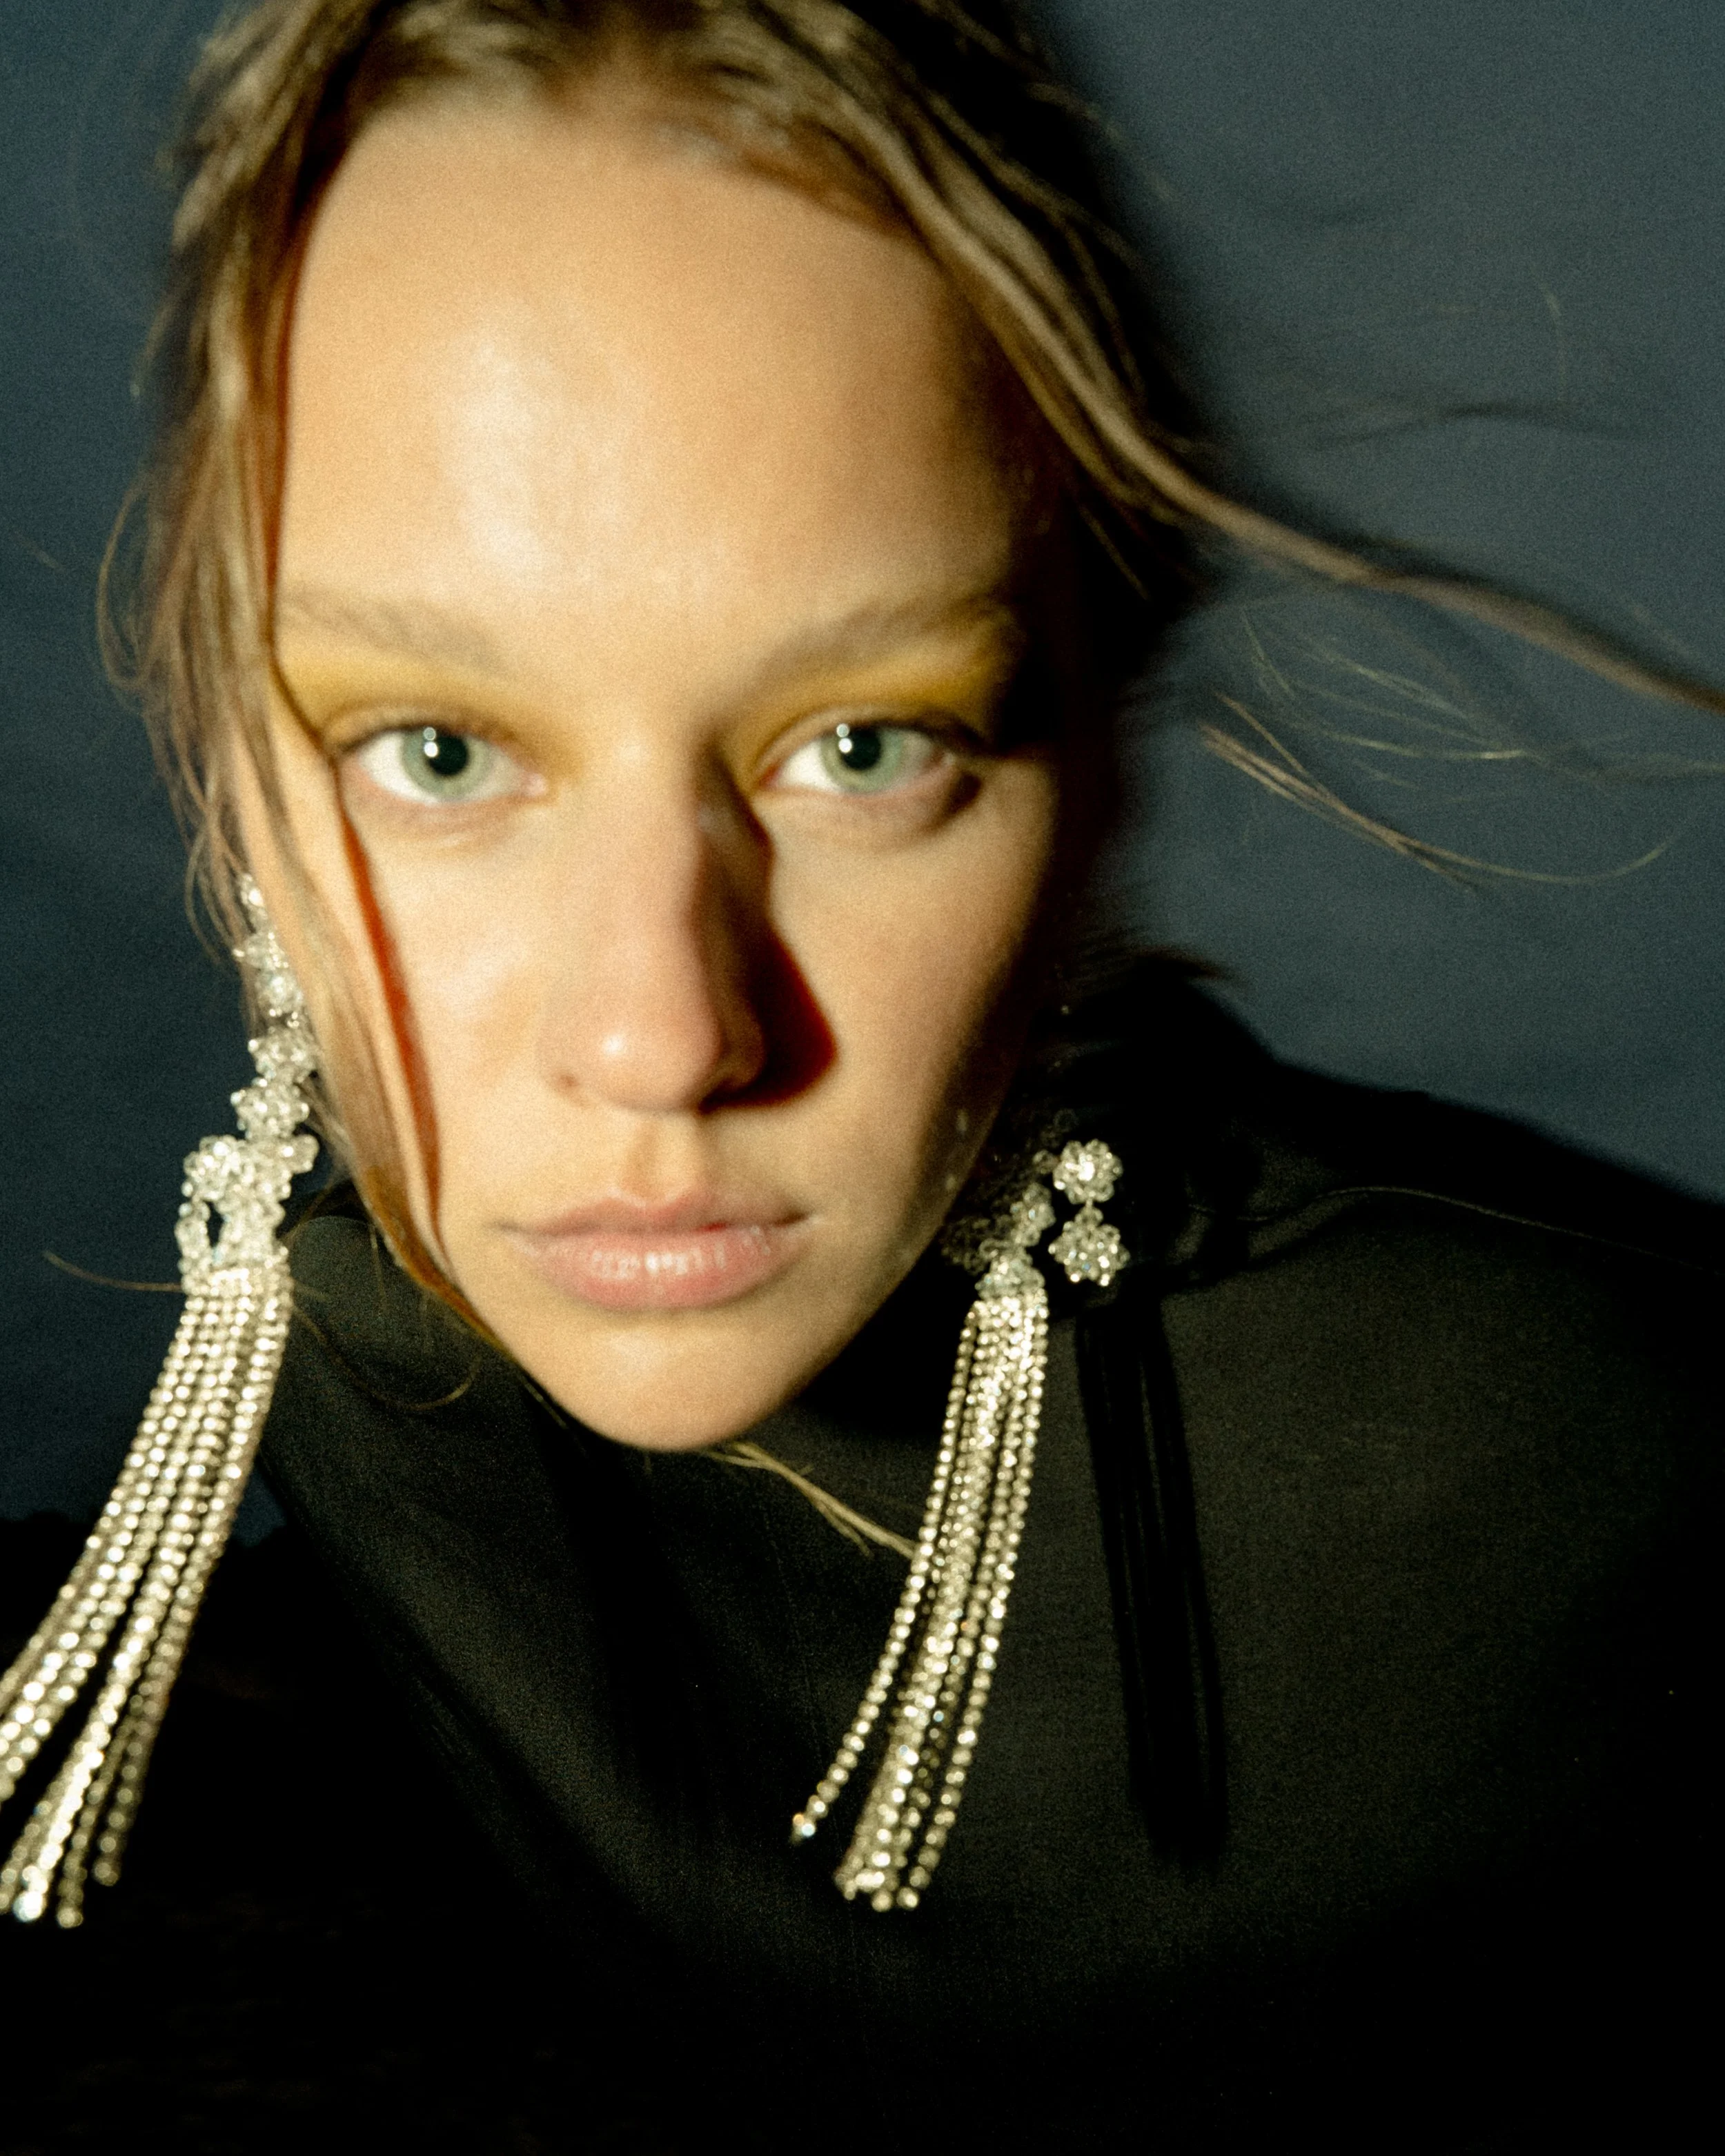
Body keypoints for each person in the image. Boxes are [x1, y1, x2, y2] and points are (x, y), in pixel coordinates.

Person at [0, 2, 1714, 2147]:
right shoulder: (364, 1363)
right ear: (224, 774)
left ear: (1086, 773)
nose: (663, 1039)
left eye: (865, 746)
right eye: (434, 752)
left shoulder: (1577, 1459)